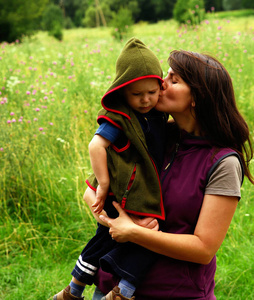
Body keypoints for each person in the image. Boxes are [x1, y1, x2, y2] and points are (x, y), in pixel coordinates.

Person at [83, 49, 254, 300]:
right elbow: (92, 192)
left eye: (173, 80)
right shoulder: (149, 135)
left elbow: (203, 249)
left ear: (197, 97)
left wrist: (133, 231)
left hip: (174, 292)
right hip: (109, 288)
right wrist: (112, 222)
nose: (160, 83)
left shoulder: (222, 163)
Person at [53, 38, 168, 300]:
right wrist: (102, 184)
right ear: (122, 92)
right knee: (135, 237)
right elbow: (96, 146)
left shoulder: (158, 116)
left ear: (159, 86)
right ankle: (89, 290)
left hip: (139, 190)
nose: (145, 100)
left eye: (151, 92)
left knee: (132, 238)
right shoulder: (119, 117)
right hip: (122, 192)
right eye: (136, 94)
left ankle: (87, 291)